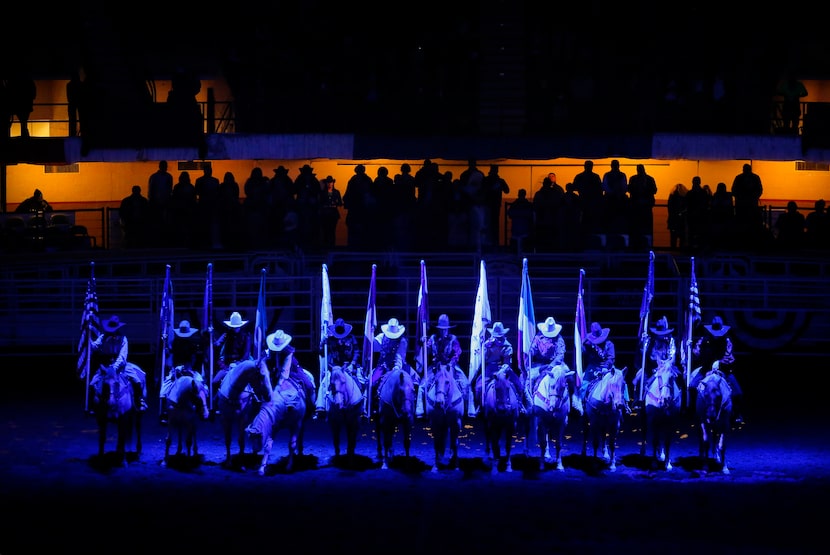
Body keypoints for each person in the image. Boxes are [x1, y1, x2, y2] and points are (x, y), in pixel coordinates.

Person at [89, 315, 148, 414]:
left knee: (137, 380)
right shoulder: (103, 337)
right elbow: (95, 346)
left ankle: (139, 401)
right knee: (92, 383)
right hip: (105, 365)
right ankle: (92, 406)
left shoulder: (123, 339)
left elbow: (122, 356)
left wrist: (114, 367)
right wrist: (89, 339)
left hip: (120, 366)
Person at [415, 314, 469, 418]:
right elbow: (428, 350)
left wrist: (451, 364)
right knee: (422, 385)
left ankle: (468, 408)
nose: (443, 331)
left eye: (445, 329)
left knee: (465, 383)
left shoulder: (453, 339)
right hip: (436, 366)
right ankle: (420, 408)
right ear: (438, 329)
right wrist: (423, 342)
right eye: (441, 329)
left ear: (448, 329)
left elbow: (457, 353)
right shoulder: (433, 338)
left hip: (451, 366)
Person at [693, 315, 743, 424]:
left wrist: (719, 366)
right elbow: (700, 356)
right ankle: (693, 411)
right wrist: (708, 367)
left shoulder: (727, 342)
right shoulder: (704, 341)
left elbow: (729, 358)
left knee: (738, 392)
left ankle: (736, 414)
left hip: (723, 371)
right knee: (692, 386)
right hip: (706, 370)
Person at [470, 321, 525, 414]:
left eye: (500, 336)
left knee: (518, 384)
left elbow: (507, 362)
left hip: (504, 368)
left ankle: (520, 404)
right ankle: (479, 406)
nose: (498, 339)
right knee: (479, 386)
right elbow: (483, 359)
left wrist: (502, 371)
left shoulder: (507, 346)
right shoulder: (487, 344)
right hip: (490, 368)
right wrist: (484, 348)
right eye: (496, 336)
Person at [159, 320, 205, 425]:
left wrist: (188, 369)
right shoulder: (175, 343)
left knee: (201, 385)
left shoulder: (193, 345)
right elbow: (169, 353)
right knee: (164, 387)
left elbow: (194, 359)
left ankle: (202, 408)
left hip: (190, 369)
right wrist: (165, 344)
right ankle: (164, 412)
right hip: (176, 369)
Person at [265, 329, 317, 420]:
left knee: (309, 385)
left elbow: (285, 371)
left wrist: (278, 385)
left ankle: (313, 408)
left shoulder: (288, 352)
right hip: (274, 370)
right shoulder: (269, 352)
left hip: (293, 371)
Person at [316, 317, 364, 414]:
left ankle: (362, 406)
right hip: (335, 367)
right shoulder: (330, 340)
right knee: (325, 381)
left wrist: (352, 364)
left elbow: (356, 352)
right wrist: (322, 343)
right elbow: (322, 353)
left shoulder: (351, 338)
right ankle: (320, 406)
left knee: (362, 382)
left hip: (349, 366)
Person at [579, 321, 629, 412]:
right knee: (584, 383)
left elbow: (611, 358)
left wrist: (606, 366)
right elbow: (584, 353)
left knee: (620, 380)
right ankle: (582, 403)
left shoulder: (609, 344)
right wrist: (583, 344)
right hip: (593, 367)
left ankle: (625, 402)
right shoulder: (589, 344)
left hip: (608, 366)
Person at [632, 316, 679, 408]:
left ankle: (683, 405)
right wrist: (642, 342)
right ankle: (639, 402)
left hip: (667, 368)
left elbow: (672, 357)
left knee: (680, 379)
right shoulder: (649, 340)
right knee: (640, 380)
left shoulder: (670, 341)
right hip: (651, 368)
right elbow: (642, 353)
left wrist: (665, 365)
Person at [528, 316, 575, 409]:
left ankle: (573, 402)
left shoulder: (559, 339)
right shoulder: (538, 337)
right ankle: (529, 404)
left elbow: (560, 355)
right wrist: (531, 351)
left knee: (570, 378)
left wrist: (552, 365)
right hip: (540, 364)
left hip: (556, 364)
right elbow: (533, 349)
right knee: (528, 379)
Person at [212, 311, 252, 388]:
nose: (235, 328)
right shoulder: (226, 334)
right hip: (226, 366)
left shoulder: (246, 336)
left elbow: (246, 354)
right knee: (214, 382)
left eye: (236, 326)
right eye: (233, 326)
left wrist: (238, 364)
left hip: (240, 364)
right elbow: (217, 345)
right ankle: (215, 399)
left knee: (251, 384)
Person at [627, 164, 657, 240]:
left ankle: (638, 243)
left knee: (638, 227)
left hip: (638, 206)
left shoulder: (633, 179)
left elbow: (629, 189)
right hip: (643, 206)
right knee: (644, 227)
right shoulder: (649, 179)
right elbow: (654, 190)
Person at [148, 160, 174, 246]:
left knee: (159, 222)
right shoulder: (166, 177)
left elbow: (151, 190)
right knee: (162, 222)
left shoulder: (155, 177)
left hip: (160, 203)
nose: (165, 168)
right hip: (160, 203)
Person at [507, 188, 534, 254]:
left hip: (516, 229)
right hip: (525, 230)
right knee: (523, 250)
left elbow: (510, 214)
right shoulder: (528, 205)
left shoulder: (514, 205)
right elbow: (531, 215)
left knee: (516, 250)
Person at [319, 175, 342, 250]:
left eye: (330, 182)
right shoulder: (322, 193)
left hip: (333, 214)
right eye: (328, 182)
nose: (329, 184)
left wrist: (335, 204)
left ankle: (332, 247)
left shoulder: (336, 192)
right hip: (325, 214)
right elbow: (320, 203)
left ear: (333, 183)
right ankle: (326, 247)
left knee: (332, 231)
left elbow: (340, 203)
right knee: (325, 231)